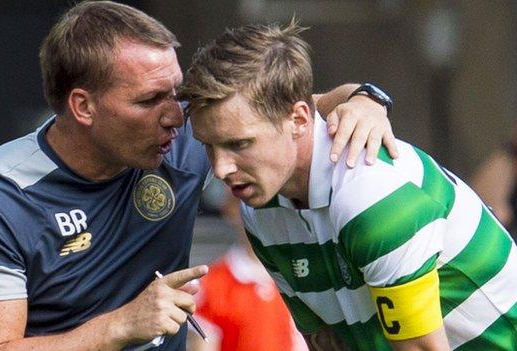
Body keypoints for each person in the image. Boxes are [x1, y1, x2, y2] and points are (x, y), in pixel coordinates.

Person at [0, 2, 399, 350]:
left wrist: (365, 99)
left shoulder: (185, 137)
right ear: (83, 107)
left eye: (175, 93)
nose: (175, 117)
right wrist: (120, 326)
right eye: (148, 100)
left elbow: (292, 111)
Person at [181, 21, 517, 351]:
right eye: (209, 145)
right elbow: (327, 342)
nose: (220, 168)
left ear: (298, 119)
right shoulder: (260, 211)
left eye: (239, 144)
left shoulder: (370, 190)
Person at [188, 191, 308, 351]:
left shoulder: (301, 277)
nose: (262, 213)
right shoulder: (211, 285)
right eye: (249, 202)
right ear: (231, 208)